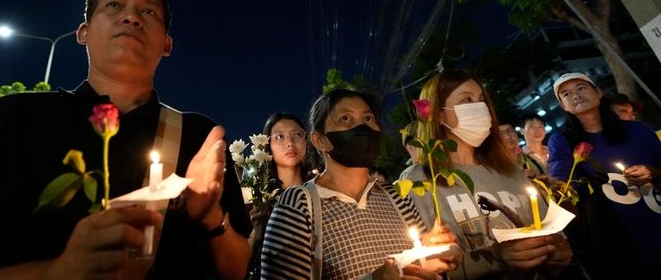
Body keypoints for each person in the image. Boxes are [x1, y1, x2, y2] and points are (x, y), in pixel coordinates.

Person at [0, 0, 251, 280]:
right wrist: (52, 274)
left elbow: (235, 270)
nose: (132, 18)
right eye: (113, 5)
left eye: (148, 11)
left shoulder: (199, 138)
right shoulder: (10, 120)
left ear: (167, 44)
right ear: (83, 32)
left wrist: (210, 216)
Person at [261, 88, 461, 280]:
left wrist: (433, 257)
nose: (362, 127)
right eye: (345, 119)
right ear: (320, 140)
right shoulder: (298, 205)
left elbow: (415, 264)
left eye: (368, 118)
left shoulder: (397, 198)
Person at [400, 70, 572, 279]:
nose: (480, 107)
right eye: (466, 100)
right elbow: (428, 267)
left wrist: (557, 254)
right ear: (439, 114)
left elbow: (555, 241)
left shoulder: (510, 171)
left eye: (482, 99)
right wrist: (495, 258)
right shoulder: (419, 179)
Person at [548, 72, 661, 276]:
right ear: (564, 106)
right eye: (566, 94)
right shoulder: (562, 140)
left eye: (581, 88)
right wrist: (553, 186)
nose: (575, 95)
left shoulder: (637, 130)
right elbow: (559, 179)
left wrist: (652, 171)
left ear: (598, 93)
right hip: (618, 240)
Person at [245, 112, 316, 279]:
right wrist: (255, 232)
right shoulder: (258, 199)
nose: (290, 143)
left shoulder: (318, 191)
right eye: (280, 137)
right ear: (267, 145)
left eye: (297, 135)